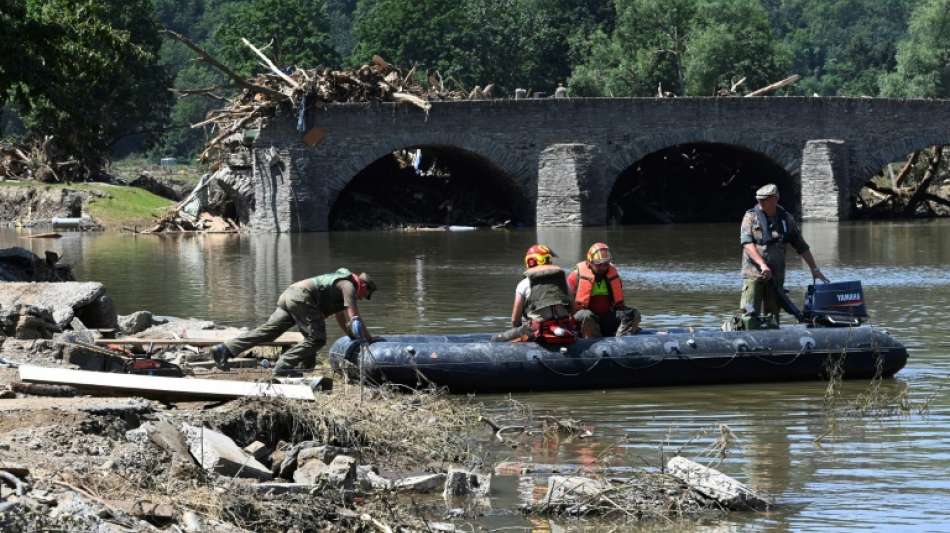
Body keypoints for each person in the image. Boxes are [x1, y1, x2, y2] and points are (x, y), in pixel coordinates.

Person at [209, 268, 377, 376]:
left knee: (269, 331)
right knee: (317, 339)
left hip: (291, 294)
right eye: (366, 294)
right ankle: (283, 366)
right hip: (302, 298)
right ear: (363, 285)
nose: (363, 298)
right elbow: (355, 318)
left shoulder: (341, 284)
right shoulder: (349, 287)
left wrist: (350, 335)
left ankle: (225, 349)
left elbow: (342, 318)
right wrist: (369, 339)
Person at [739, 183, 829, 328]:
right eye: (759, 200)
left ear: (775, 199)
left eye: (764, 199)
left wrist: (814, 269)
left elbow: (801, 246)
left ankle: (773, 342)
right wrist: (762, 265)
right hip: (754, 275)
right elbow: (747, 244)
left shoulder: (786, 219)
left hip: (775, 277)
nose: (760, 203)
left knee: (773, 316)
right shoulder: (750, 217)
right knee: (749, 314)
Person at [492, 244, 577, 344]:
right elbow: (573, 309)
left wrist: (518, 332)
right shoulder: (563, 282)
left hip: (537, 330)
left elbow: (515, 319)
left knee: (496, 339)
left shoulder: (524, 284)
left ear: (531, 261)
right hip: (564, 327)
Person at [567, 242, 641, 337]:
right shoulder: (574, 277)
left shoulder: (612, 276)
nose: (602, 267)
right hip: (583, 320)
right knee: (587, 315)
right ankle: (592, 341)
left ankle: (621, 341)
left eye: (605, 264)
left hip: (606, 319)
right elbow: (566, 304)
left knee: (633, 313)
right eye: (598, 264)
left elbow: (620, 305)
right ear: (590, 262)